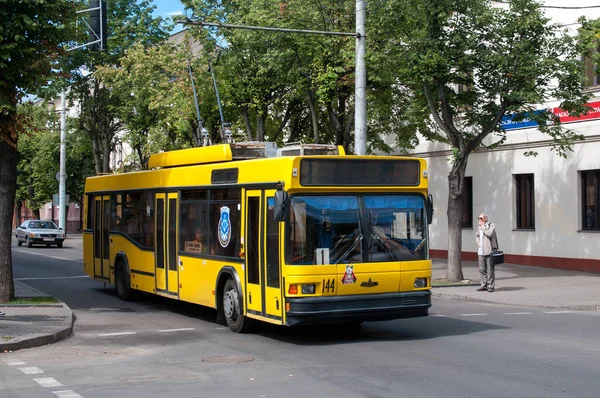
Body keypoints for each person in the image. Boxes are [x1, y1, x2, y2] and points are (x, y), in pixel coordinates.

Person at [475, 213, 498, 292]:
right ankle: (484, 285)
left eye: (480, 218)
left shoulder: (491, 225)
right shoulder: (479, 227)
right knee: (481, 269)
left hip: (489, 251)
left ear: (485, 219)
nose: (479, 220)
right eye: (478, 219)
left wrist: (483, 227)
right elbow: (477, 235)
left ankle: (490, 286)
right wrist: (477, 241)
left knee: (490, 270)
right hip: (480, 251)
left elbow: (489, 234)